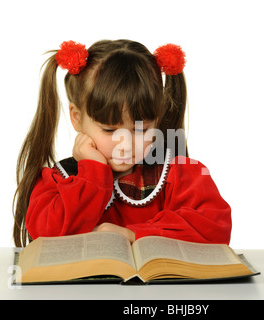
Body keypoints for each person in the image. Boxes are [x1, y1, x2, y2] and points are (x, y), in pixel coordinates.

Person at [13, 39, 231, 247]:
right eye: (109, 130)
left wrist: (133, 235)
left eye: (142, 129)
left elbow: (215, 228)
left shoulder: (180, 175)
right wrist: (93, 174)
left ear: (157, 119)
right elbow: (46, 236)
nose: (125, 145)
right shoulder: (57, 180)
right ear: (77, 117)